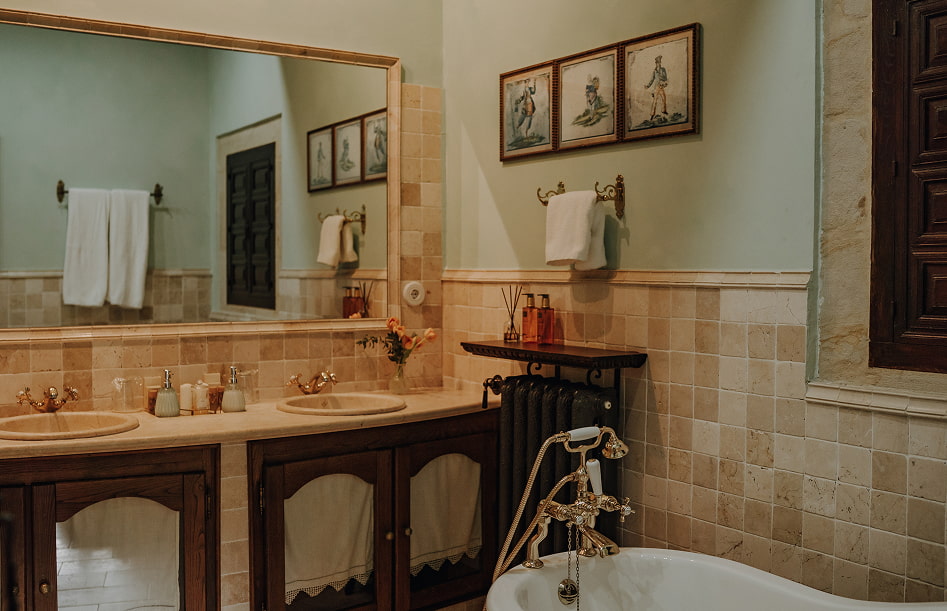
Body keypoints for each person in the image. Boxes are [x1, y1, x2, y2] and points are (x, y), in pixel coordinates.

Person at [646, 55, 668, 121]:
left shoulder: (663, 69)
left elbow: (665, 77)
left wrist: (663, 82)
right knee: (655, 101)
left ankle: (664, 110)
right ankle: (652, 114)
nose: (658, 64)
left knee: (664, 98)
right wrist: (647, 86)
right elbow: (652, 80)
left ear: (660, 63)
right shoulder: (654, 71)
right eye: (657, 63)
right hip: (656, 87)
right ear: (656, 63)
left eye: (659, 62)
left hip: (661, 86)